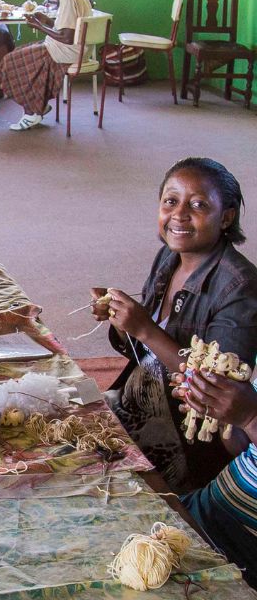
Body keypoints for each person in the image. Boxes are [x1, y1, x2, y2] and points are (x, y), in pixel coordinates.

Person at [91, 157, 257, 495]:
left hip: (186, 444)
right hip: (139, 399)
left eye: (198, 204)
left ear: (226, 217)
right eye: (171, 201)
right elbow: (143, 354)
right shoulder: (169, 257)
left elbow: (215, 396)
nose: (179, 214)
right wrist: (122, 321)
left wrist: (144, 328)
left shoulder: (240, 289)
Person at [174, 371, 257, 583]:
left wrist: (251, 418)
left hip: (242, 545)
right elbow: (242, 447)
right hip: (210, 504)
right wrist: (220, 413)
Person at [0, 0, 91, 131]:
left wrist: (39, 26)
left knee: (11, 61)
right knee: (20, 54)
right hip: (75, 49)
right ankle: (38, 105)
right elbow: (68, 28)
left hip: (65, 51)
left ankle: (32, 112)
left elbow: (67, 37)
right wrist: (47, 21)